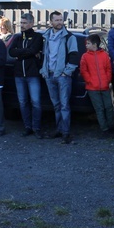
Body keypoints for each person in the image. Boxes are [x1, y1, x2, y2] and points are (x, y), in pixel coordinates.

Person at [40, 11, 79, 144]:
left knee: (64, 106)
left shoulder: (69, 37)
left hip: (63, 77)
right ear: (51, 22)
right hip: (49, 75)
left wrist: (66, 72)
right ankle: (59, 129)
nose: (59, 22)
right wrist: (43, 70)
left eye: (61, 20)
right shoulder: (46, 37)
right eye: (56, 20)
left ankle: (66, 133)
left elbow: (74, 56)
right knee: (56, 105)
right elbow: (43, 55)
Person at [9, 13, 44, 138]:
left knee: (36, 102)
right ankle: (27, 127)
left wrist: (21, 53)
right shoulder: (17, 38)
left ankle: (36, 128)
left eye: (24, 23)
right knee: (23, 102)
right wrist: (25, 52)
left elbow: (34, 50)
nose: (22, 25)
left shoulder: (37, 37)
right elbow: (11, 52)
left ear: (31, 23)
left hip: (32, 74)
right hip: (19, 75)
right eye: (21, 23)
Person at [80, 33, 114, 136]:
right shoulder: (85, 56)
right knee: (99, 108)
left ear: (94, 44)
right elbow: (83, 71)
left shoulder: (104, 55)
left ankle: (111, 126)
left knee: (109, 107)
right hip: (92, 87)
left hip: (104, 86)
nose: (86, 45)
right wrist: (90, 80)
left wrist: (107, 80)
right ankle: (104, 129)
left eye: (88, 43)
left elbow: (108, 69)